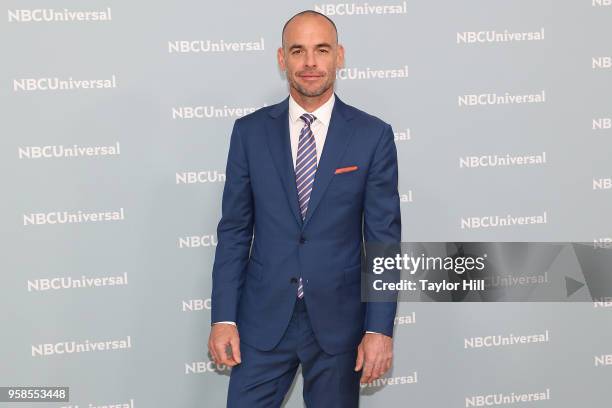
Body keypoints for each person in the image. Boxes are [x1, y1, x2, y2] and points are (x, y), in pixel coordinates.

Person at [208, 9, 401, 407]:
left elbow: (382, 241)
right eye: (298, 51)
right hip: (262, 322)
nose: (310, 62)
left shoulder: (373, 136)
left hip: (339, 326)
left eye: (321, 50)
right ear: (282, 60)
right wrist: (223, 318)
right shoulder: (249, 132)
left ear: (339, 56)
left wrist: (379, 329)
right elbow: (234, 232)